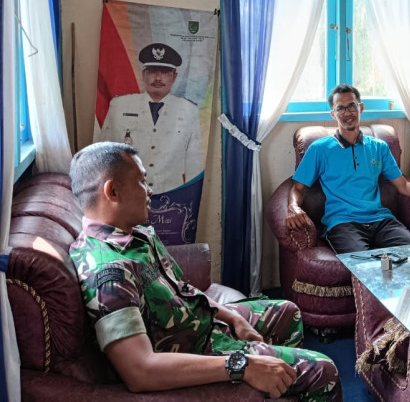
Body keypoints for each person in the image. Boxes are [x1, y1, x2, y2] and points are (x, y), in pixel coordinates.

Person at [69, 142, 341, 400]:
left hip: (202, 325)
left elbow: (183, 289)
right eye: (141, 181)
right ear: (112, 192)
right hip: (199, 354)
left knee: (288, 312)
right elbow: (141, 370)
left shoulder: (136, 236)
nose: (149, 191)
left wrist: (233, 318)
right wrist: (243, 364)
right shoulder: (109, 272)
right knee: (324, 371)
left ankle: (280, 386)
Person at [285, 84, 410, 254]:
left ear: (361, 108)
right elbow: (298, 188)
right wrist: (293, 206)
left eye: (352, 106)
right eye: (340, 109)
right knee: (364, 264)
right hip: (342, 223)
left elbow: (403, 185)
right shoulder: (319, 149)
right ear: (333, 114)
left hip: (381, 220)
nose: (347, 113)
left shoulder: (379, 147)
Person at [98, 43, 203, 193]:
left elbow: (194, 162)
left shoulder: (188, 110)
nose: (158, 78)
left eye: (165, 72)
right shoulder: (120, 105)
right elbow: (103, 152)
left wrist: (188, 197)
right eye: (153, 71)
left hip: (170, 194)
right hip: (128, 192)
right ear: (143, 74)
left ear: (174, 76)